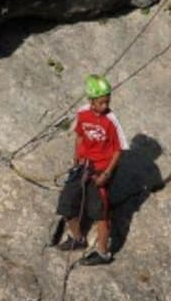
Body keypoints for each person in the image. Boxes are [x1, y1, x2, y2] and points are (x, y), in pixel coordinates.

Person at [54, 74, 128, 266]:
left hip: (100, 171)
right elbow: (79, 135)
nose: (105, 106)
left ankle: (103, 253)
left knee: (100, 213)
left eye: (107, 102)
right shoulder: (83, 113)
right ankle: (78, 238)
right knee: (66, 203)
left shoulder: (111, 121)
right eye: (101, 102)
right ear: (91, 101)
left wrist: (106, 174)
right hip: (83, 166)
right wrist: (76, 157)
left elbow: (118, 151)